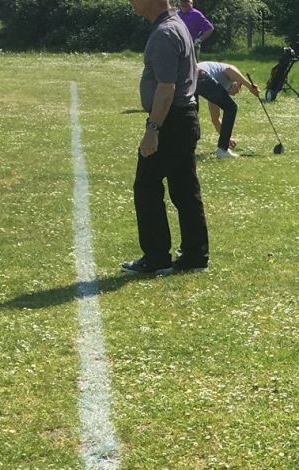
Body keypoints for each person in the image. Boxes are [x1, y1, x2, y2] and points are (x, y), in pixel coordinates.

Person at [121, 0, 209, 274]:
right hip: (184, 118)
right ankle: (195, 255)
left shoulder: (165, 32)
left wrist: (152, 130)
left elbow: (167, 88)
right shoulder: (176, 25)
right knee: (185, 190)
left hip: (171, 120)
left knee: (146, 187)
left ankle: (157, 256)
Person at [195, 61, 260, 159]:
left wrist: (226, 138)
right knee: (231, 107)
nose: (238, 92)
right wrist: (249, 86)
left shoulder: (215, 86)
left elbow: (215, 119)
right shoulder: (230, 74)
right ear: (236, 82)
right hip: (200, 74)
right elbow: (229, 69)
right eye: (240, 87)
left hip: (191, 76)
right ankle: (222, 150)